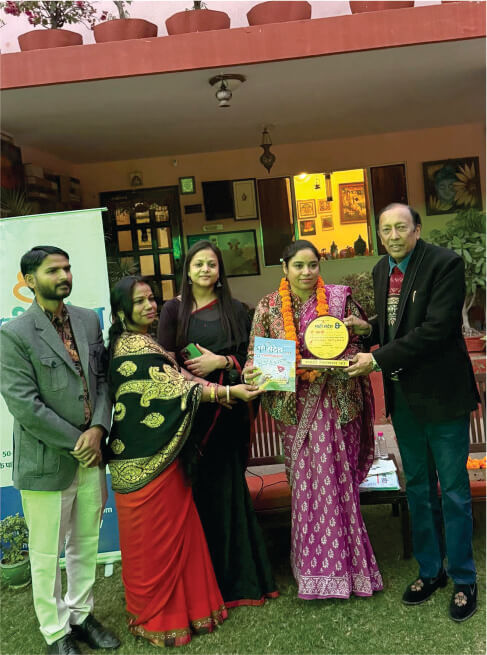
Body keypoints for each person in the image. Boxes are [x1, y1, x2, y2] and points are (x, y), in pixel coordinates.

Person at [107, 276, 262, 646]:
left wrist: (221, 387)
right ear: (121, 311)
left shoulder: (145, 342)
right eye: (140, 301)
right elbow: (177, 388)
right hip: (145, 457)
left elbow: (180, 378)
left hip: (158, 453)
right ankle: (159, 617)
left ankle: (192, 610)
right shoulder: (133, 347)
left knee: (177, 533)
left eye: (151, 298)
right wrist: (228, 391)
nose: (150, 306)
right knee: (154, 540)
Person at [346, 203, 479, 621]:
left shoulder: (444, 263)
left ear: (417, 229)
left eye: (401, 227)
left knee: (453, 490)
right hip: (404, 399)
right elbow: (398, 324)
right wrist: (370, 330)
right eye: (385, 229)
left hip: (442, 397)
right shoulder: (381, 270)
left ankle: (463, 578)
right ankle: (430, 570)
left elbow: (436, 329)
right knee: (418, 488)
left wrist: (376, 357)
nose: (393, 235)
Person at [244, 239, 383, 600]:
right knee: (306, 485)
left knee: (339, 481)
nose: (306, 272)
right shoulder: (269, 307)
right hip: (296, 410)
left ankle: (351, 571)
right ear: (284, 268)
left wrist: (355, 344)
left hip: (336, 404)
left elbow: (358, 344)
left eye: (312, 265)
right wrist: (254, 371)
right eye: (298, 265)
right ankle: (312, 572)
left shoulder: (339, 300)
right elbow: (256, 356)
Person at [0, 246, 119, 655]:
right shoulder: (14, 334)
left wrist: (99, 428)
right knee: (47, 553)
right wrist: (78, 441)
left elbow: (102, 381)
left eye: (67, 268)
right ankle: (55, 632)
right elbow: (24, 405)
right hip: (47, 460)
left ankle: (81, 615)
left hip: (91, 456)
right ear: (29, 280)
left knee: (85, 542)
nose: (64, 275)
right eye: (53, 270)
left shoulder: (87, 320)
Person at [158, 241, 278, 607]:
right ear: (187, 270)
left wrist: (221, 362)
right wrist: (205, 387)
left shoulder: (236, 310)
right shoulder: (173, 310)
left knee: (229, 491)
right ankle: (203, 582)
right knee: (199, 493)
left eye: (211, 264)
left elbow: (253, 358)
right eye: (198, 264)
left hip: (230, 416)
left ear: (219, 270)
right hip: (193, 417)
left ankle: (240, 580)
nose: (205, 270)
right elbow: (164, 362)